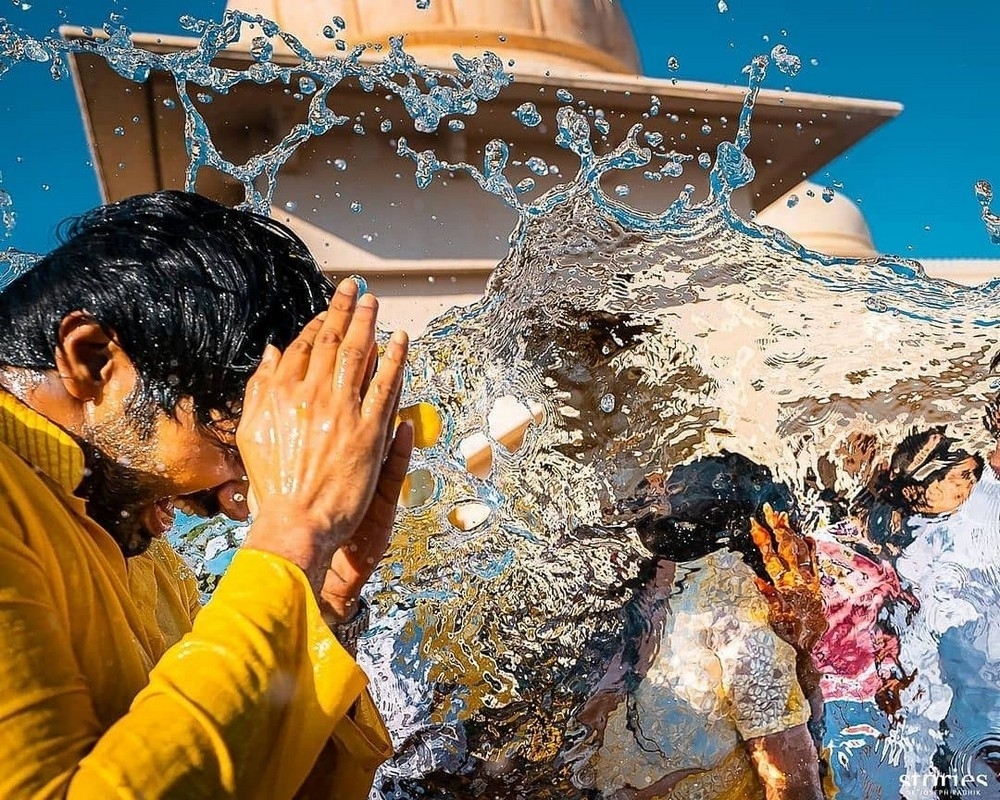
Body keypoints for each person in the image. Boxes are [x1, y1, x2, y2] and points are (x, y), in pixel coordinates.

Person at [0, 190, 413, 798]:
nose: (249, 488)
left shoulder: (147, 564)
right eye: (233, 435)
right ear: (92, 362)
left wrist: (320, 599)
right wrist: (292, 535)